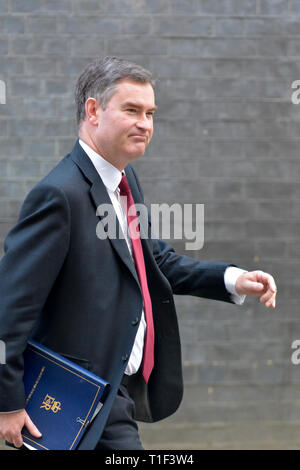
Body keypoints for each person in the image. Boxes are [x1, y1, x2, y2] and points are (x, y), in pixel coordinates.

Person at [0, 57, 277, 450]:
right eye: (132, 110)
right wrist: (7, 401)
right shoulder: (60, 196)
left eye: (150, 113)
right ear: (93, 111)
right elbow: (9, 308)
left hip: (115, 392)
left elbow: (152, 261)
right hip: (74, 398)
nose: (145, 123)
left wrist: (231, 279)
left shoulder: (123, 181)